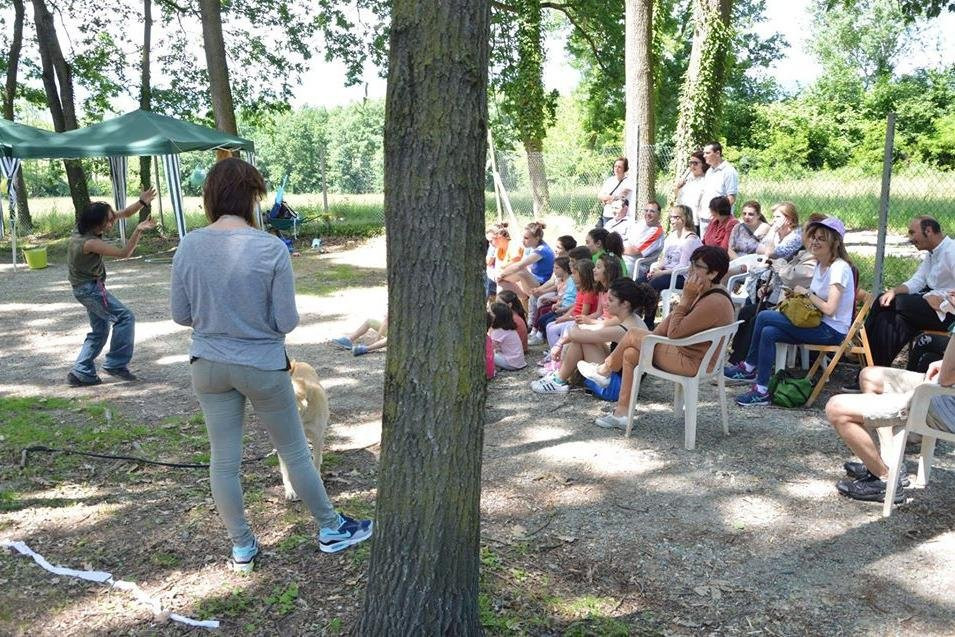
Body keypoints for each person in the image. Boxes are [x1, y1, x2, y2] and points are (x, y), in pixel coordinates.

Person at [170, 158, 372, 570]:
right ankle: (330, 527)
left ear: (210, 198)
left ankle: (242, 546)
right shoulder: (270, 247)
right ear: (254, 197)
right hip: (261, 364)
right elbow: (285, 321)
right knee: (295, 451)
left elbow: (181, 314)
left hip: (207, 363)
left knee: (223, 461)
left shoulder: (189, 244)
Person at [577, 246, 736, 429]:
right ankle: (622, 414)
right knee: (630, 353)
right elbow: (671, 322)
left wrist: (685, 299)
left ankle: (604, 371)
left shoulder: (714, 301)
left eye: (697, 267)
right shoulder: (707, 291)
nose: (690, 270)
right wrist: (652, 337)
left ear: (713, 273)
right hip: (688, 353)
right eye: (691, 264)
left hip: (694, 362)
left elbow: (675, 333)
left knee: (633, 334)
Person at [825, 311, 955, 503]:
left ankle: (885, 479)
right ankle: (889, 463)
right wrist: (945, 363)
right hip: (942, 389)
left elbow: (947, 378)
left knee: (836, 409)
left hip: (942, 401)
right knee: (869, 376)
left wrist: (947, 368)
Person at [725, 217, 855, 406]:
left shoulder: (839, 268)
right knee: (769, 332)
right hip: (817, 322)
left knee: (764, 316)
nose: (814, 241)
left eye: (821, 238)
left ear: (834, 243)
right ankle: (761, 390)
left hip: (831, 330)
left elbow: (830, 308)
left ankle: (749, 367)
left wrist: (806, 293)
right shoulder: (821, 264)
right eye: (813, 237)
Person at [66, 189, 158, 386]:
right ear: (96, 223)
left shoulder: (82, 227)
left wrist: (142, 202)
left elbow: (125, 213)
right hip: (89, 290)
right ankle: (115, 365)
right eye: (107, 221)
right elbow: (124, 253)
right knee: (125, 317)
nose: (111, 223)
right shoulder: (89, 243)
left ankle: (81, 371)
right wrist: (138, 230)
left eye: (110, 218)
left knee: (99, 331)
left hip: (85, 288)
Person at [530, 278, 655, 394]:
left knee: (582, 340)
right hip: (623, 378)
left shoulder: (623, 329)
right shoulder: (631, 318)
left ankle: (559, 380)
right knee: (585, 338)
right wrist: (567, 337)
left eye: (610, 300)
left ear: (625, 304)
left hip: (617, 388)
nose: (605, 303)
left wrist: (566, 338)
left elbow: (578, 334)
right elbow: (595, 328)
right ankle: (560, 376)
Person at [863, 216, 955, 368]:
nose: (910, 238)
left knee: (890, 301)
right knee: (888, 320)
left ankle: (861, 346)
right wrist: (894, 291)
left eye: (912, 232)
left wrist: (944, 304)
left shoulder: (951, 251)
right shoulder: (932, 253)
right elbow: (917, 281)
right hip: (929, 306)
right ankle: (872, 371)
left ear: (928, 231)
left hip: (947, 314)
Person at [644, 204, 702, 328]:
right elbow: (666, 259)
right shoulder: (672, 236)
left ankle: (648, 323)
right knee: (640, 281)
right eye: (671, 217)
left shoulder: (690, 240)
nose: (672, 220)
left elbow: (683, 267)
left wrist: (661, 273)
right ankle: (636, 317)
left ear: (685, 219)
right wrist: (656, 269)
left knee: (654, 284)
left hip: (682, 277)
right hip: (668, 272)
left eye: (676, 217)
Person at [497, 221, 555, 306]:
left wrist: (501, 274)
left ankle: (525, 299)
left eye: (526, 238)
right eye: (523, 237)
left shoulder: (542, 250)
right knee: (502, 281)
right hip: (531, 280)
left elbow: (520, 265)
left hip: (542, 284)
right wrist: (502, 275)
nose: (523, 240)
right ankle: (524, 299)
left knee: (520, 271)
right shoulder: (530, 247)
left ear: (537, 238)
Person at [545, 258, 597, 347]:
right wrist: (565, 316)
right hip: (572, 317)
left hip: (577, 321)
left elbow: (583, 315)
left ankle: (559, 352)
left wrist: (566, 319)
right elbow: (575, 306)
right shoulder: (581, 289)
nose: (572, 276)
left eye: (574, 273)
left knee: (556, 329)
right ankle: (555, 351)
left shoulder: (588, 293)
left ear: (583, 275)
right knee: (549, 326)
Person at [699, 142, 739, 235]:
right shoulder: (709, 171)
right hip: (704, 219)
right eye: (704, 153)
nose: (704, 156)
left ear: (717, 153)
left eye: (707, 153)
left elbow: (731, 198)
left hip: (718, 221)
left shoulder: (729, 171)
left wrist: (716, 216)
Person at [622, 200, 665, 278]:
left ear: (659, 214)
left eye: (652, 211)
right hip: (624, 257)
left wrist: (616, 248)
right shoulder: (640, 223)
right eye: (646, 210)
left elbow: (635, 250)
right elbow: (625, 238)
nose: (648, 213)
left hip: (637, 266)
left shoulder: (657, 232)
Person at [674, 150, 708, 231]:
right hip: (682, 219)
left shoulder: (706, 181)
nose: (692, 166)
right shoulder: (688, 178)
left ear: (704, 164)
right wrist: (678, 187)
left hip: (696, 222)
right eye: (691, 163)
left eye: (695, 163)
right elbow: (678, 197)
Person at [488, 302, 527, 371]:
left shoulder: (499, 331)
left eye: (490, 313)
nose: (488, 314)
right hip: (518, 361)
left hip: (512, 363)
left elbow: (490, 346)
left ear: (497, 317)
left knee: (488, 354)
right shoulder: (508, 328)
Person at [597, 156, 633, 228]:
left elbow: (621, 197)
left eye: (619, 167)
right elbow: (600, 196)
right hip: (607, 214)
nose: (616, 168)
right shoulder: (609, 180)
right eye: (615, 166)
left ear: (625, 169)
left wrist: (607, 198)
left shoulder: (628, 182)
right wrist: (614, 198)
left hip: (620, 216)